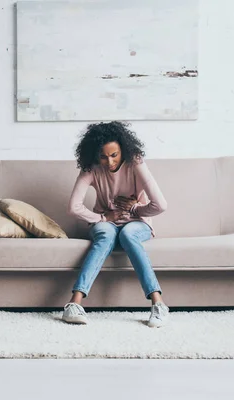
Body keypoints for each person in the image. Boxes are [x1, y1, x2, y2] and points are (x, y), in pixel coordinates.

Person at [63, 121, 169, 328]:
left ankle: (159, 305)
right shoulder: (91, 169)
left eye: (114, 155)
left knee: (128, 234)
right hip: (106, 222)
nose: (109, 161)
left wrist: (136, 209)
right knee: (105, 234)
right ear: (95, 155)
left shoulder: (136, 163)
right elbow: (73, 207)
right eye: (103, 156)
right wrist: (103, 218)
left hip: (137, 222)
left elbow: (160, 205)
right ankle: (73, 305)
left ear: (124, 151)